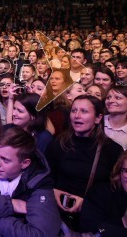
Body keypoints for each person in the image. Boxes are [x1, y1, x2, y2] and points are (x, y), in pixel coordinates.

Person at [45, 95, 123, 232]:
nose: (77, 116)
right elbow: (45, 175)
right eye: (74, 110)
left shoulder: (112, 150)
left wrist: (86, 203)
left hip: (91, 218)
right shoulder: (59, 143)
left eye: (84, 111)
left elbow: (115, 189)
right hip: (56, 213)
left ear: (98, 118)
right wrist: (53, 191)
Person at [80, 151, 127, 236]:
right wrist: (123, 222)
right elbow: (89, 229)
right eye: (126, 171)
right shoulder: (100, 193)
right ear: (119, 171)